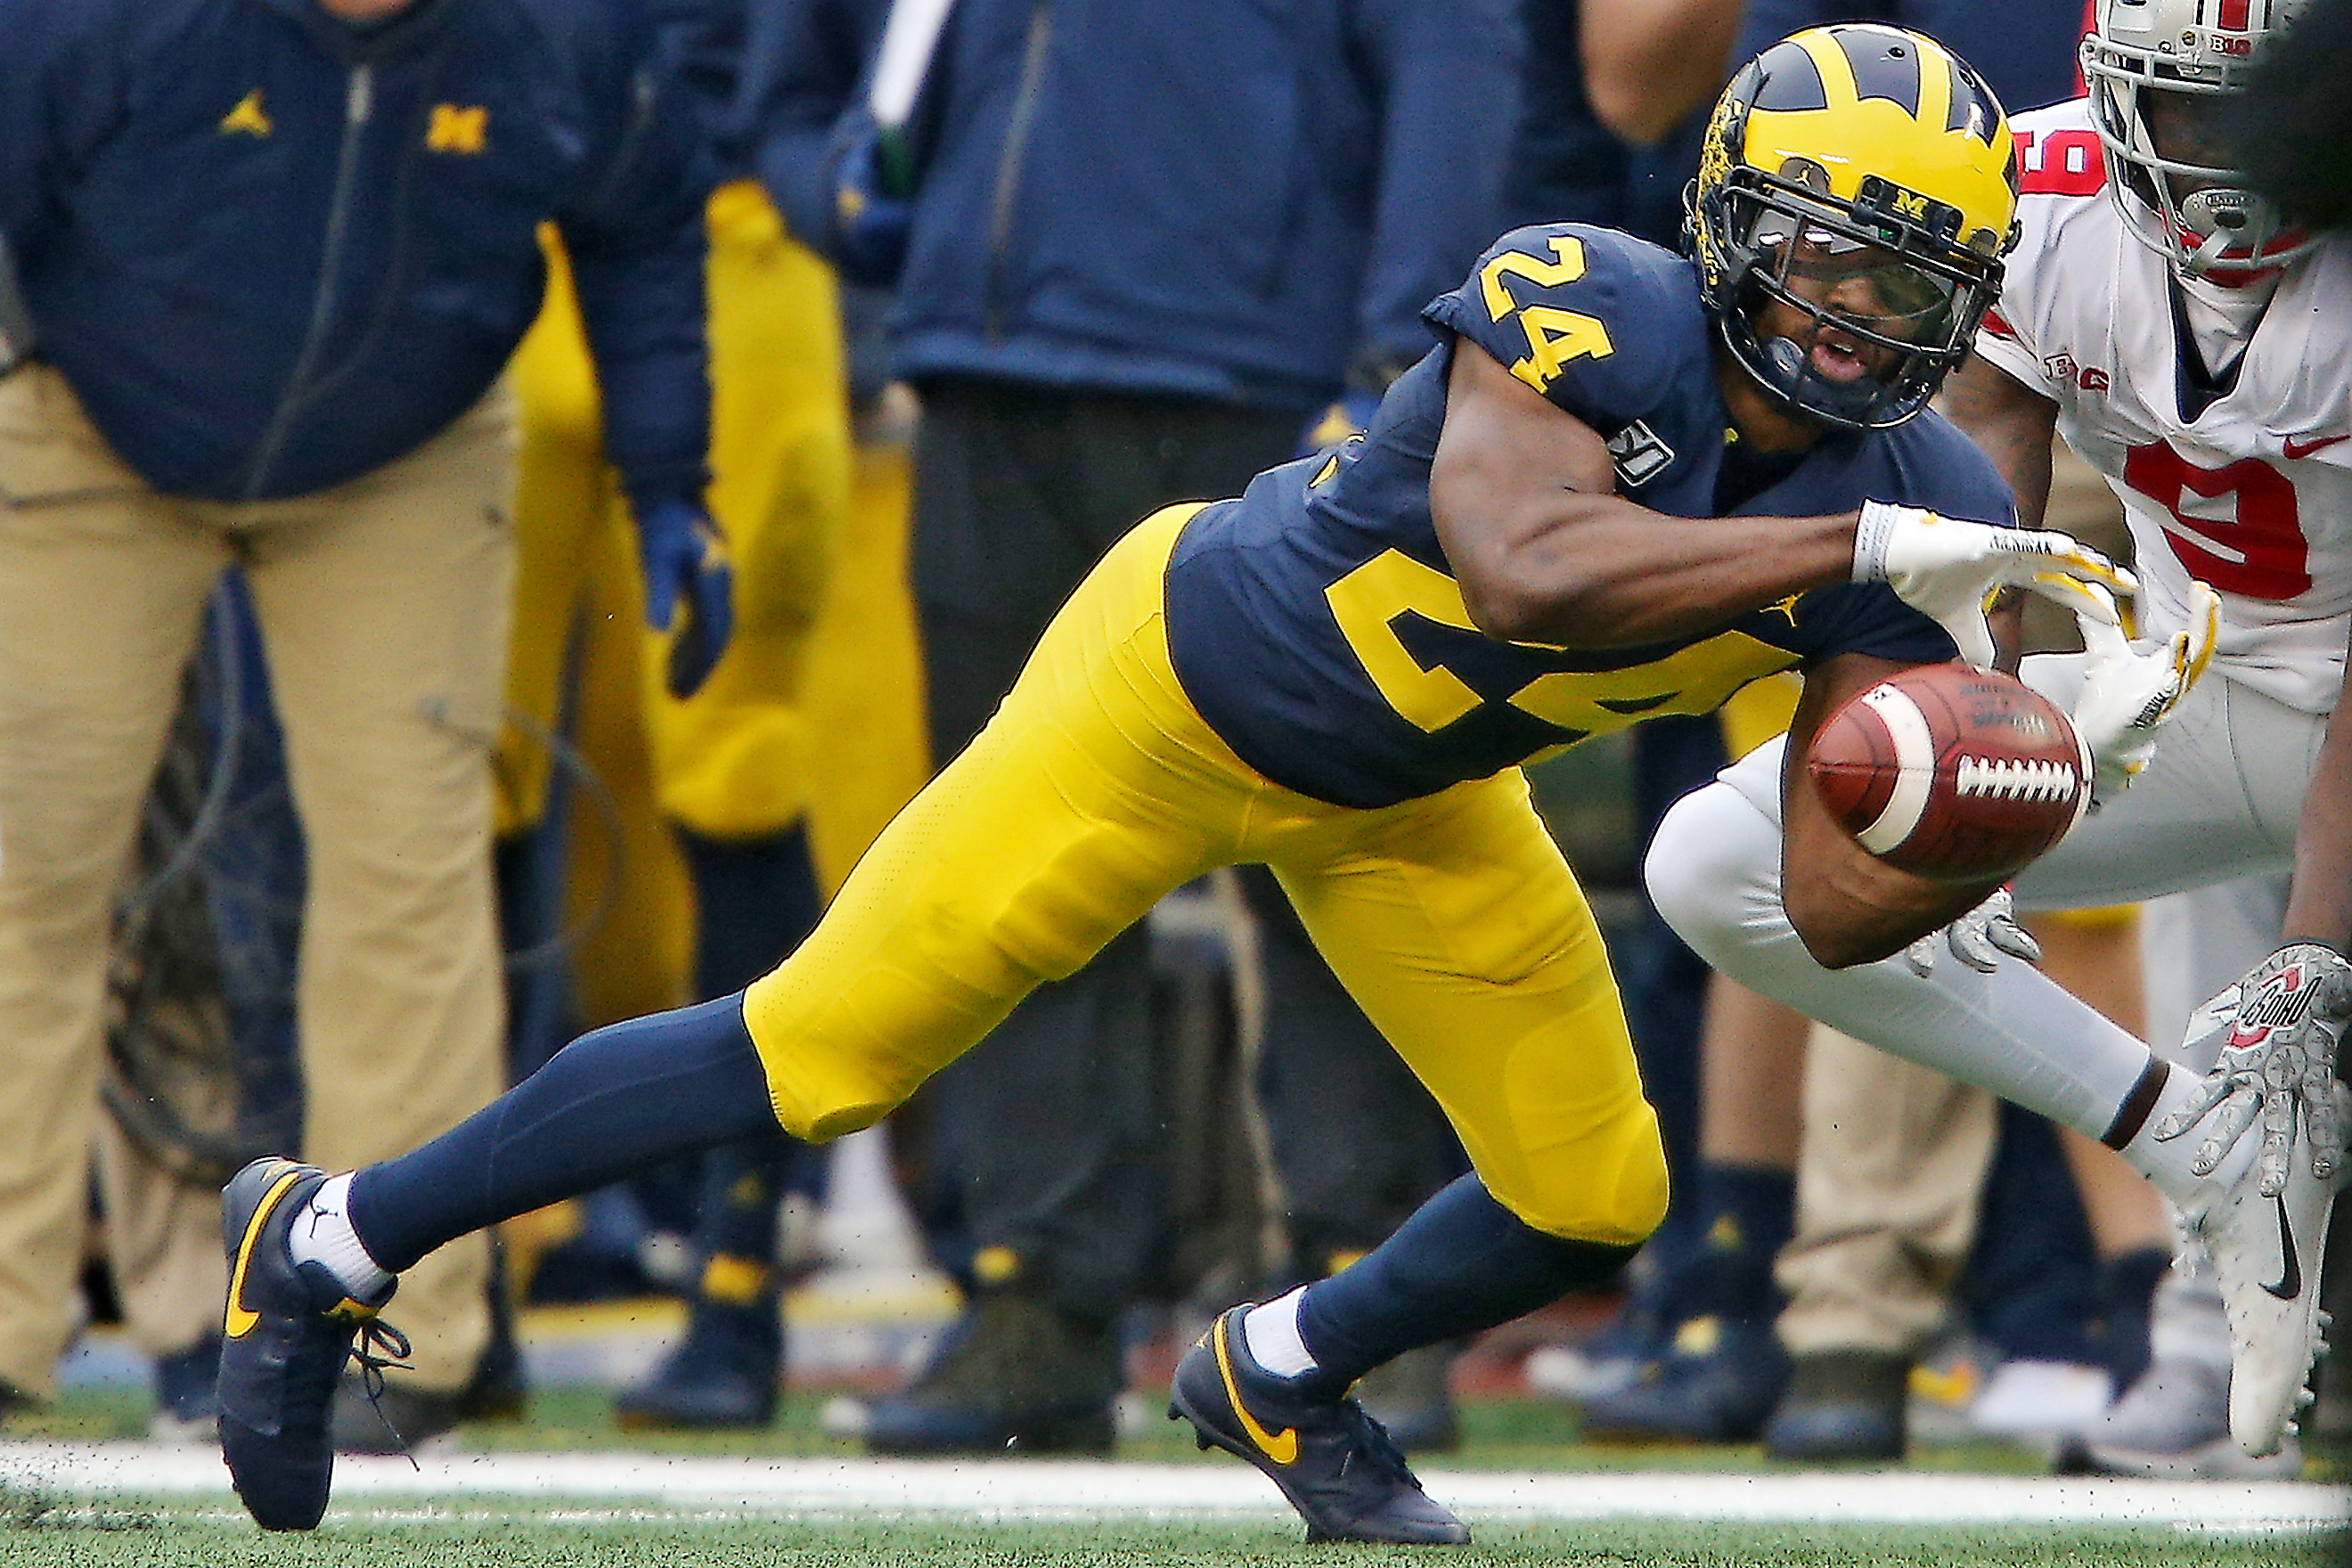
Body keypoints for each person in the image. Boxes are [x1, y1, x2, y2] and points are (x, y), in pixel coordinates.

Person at [216, 25, 2141, 1538]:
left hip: (1414, 794)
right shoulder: (1602, 299)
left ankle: (1282, 1369)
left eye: (1908, 281)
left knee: (1595, 1187)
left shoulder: (1935, 502)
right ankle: (325, 1236)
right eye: (1821, 253)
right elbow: (1524, 571)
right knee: (824, 1049)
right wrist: (1861, 564)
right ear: (1730, 220)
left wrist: (2017, 775)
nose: (1852, 312)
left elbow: (1826, 898)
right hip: (1176, 695)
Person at [760, 0, 1526, 1455]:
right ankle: (1035, 1298)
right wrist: (840, 197)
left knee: (1339, 848)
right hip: (981, 377)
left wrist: (1402, 362)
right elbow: (783, 78)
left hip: (1254, 379)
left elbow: (1454, 54)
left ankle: (1371, 1297)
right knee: (1010, 862)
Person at [1645, 0, 2352, 1466]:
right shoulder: (2038, 203)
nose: (2235, 163)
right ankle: (2191, 1168)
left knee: (2284, 992)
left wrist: (2318, 960)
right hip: (2221, 687)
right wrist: (1982, 771)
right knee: (1734, 862)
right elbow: (1989, 522)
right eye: (2192, 114)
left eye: (2262, 114)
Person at [0, 0, 723, 1424]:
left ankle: (411, 1327)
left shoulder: (565, 32)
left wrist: (671, 486)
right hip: (91, 408)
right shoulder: (87, 22)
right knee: (27, 868)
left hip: (408, 443)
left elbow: (643, 215)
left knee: (411, 876)